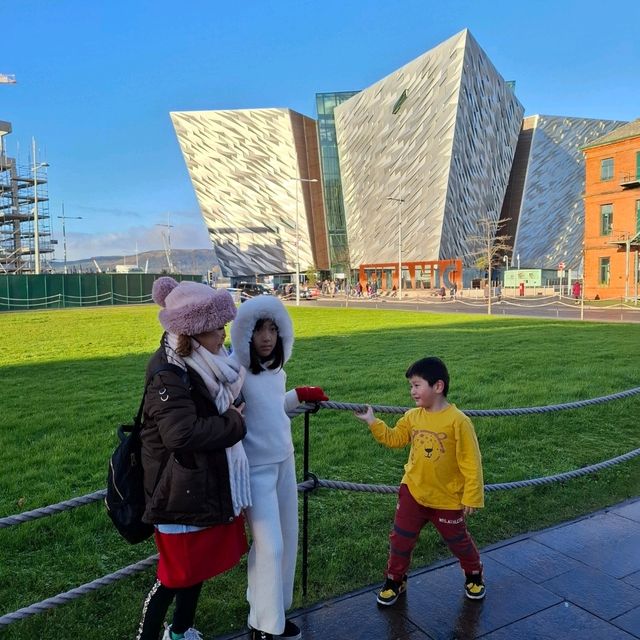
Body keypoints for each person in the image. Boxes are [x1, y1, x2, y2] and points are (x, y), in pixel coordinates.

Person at [137, 277, 250, 640]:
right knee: (173, 577)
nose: (223, 335)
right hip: (176, 490)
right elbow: (180, 435)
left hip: (197, 485)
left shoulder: (202, 363)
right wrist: (233, 422)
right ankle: (148, 635)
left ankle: (181, 630)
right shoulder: (168, 373)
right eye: (217, 328)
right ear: (195, 331)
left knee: (194, 569)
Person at [230, 295, 328, 640]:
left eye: (273, 329)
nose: (267, 337)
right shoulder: (234, 370)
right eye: (259, 329)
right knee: (268, 546)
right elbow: (229, 417)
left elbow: (272, 409)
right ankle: (267, 625)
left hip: (284, 462)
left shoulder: (276, 369)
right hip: (255, 470)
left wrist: (299, 395)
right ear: (246, 333)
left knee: (285, 541)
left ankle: (267, 615)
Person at [353, 356, 485, 606]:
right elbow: (394, 438)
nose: (412, 391)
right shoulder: (413, 416)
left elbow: (471, 461)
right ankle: (395, 580)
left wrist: (472, 496)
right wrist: (372, 421)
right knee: (400, 539)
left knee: (458, 541)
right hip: (413, 492)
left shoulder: (458, 421)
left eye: (416, 385)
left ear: (438, 386)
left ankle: (474, 574)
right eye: (411, 386)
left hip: (446, 499)